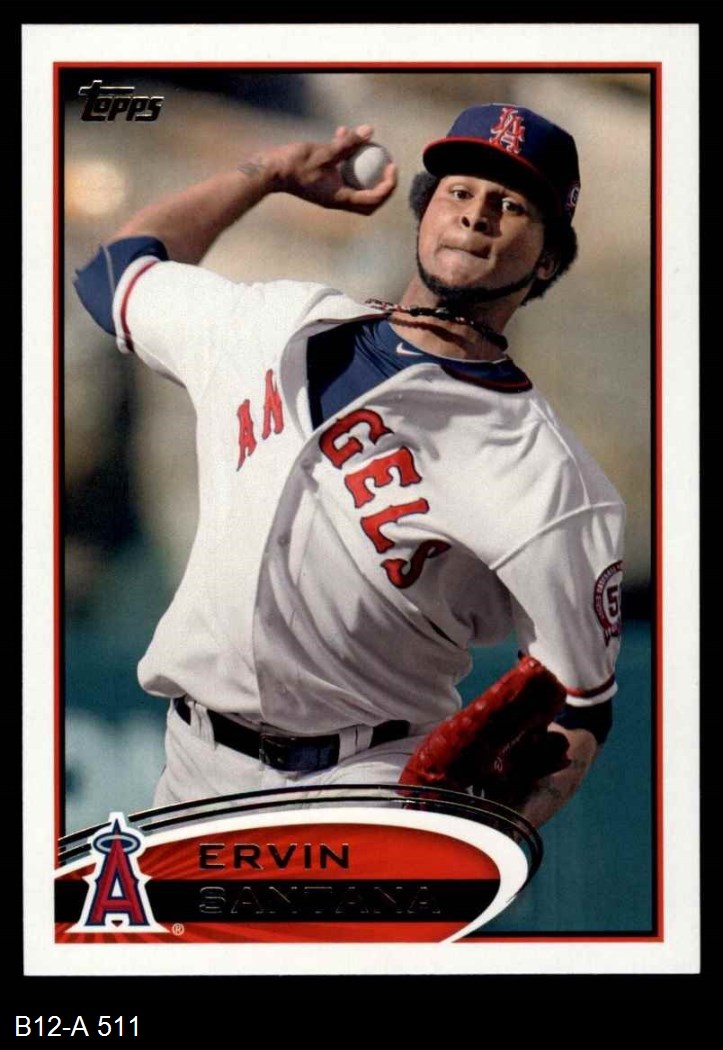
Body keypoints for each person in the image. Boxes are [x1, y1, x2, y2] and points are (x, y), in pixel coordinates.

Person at [75, 103, 625, 828]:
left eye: (511, 204)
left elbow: (582, 706)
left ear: (548, 258)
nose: (476, 214)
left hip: (367, 783)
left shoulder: (550, 476)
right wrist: (266, 176)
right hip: (193, 771)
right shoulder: (270, 322)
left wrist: (502, 827)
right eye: (459, 191)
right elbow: (115, 273)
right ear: (423, 214)